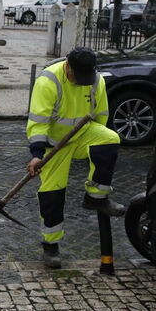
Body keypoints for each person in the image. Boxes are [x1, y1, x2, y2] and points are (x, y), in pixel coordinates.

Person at [26, 47, 124, 269]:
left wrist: (94, 152)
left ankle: (96, 196)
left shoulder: (95, 80)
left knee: (110, 139)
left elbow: (101, 116)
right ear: (68, 66)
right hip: (54, 145)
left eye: (85, 78)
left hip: (82, 135)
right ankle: (50, 245)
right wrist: (36, 155)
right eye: (77, 77)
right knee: (52, 193)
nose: (82, 82)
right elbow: (38, 122)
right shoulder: (48, 81)